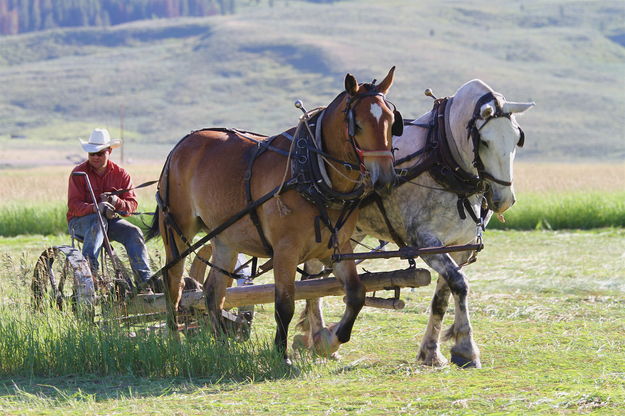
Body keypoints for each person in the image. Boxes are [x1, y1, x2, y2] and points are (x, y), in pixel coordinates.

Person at [66, 128, 152, 291]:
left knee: (133, 232)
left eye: (100, 153)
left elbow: (131, 206)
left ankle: (144, 281)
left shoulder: (121, 174)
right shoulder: (78, 173)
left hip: (110, 222)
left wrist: (116, 201)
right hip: (80, 223)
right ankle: (90, 275)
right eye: (92, 154)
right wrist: (96, 208)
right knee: (98, 223)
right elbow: (74, 206)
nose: (96, 157)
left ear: (109, 151)